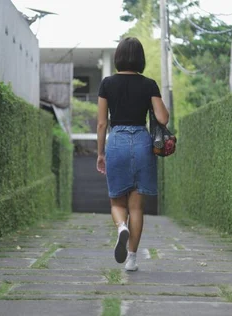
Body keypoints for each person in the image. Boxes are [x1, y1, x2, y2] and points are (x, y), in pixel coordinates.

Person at [96, 37, 170, 272]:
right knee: (137, 207)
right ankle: (132, 259)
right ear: (140, 59)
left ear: (118, 57)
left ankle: (121, 228)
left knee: (117, 201)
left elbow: (100, 124)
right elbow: (163, 118)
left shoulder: (107, 84)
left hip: (116, 140)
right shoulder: (149, 84)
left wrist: (100, 154)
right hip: (141, 141)